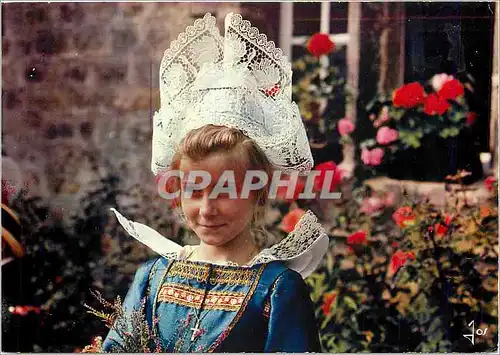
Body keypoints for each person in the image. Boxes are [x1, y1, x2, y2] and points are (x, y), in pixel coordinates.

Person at [101, 12, 329, 353]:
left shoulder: (276, 288)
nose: (207, 209)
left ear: (258, 191)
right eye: (194, 190)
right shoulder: (152, 278)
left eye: (226, 190)